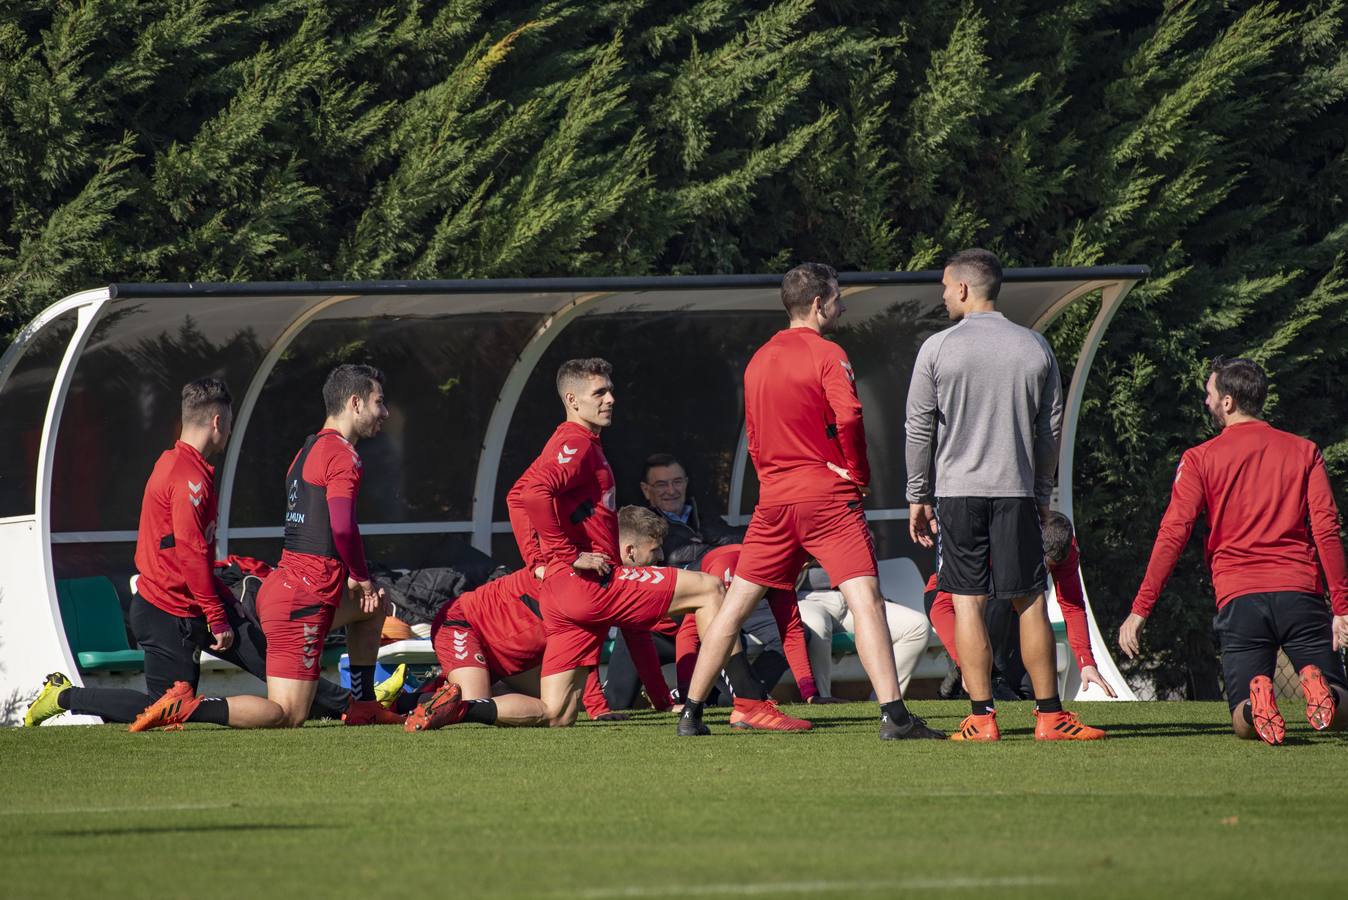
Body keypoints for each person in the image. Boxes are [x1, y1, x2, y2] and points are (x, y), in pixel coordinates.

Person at [416, 358, 790, 731]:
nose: (610, 399)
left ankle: (465, 709)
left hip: (565, 598)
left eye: (610, 390)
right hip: (589, 586)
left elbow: (517, 496)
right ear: (573, 400)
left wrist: (540, 563)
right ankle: (749, 702)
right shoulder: (574, 442)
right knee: (710, 589)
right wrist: (566, 555)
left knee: (556, 714)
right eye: (599, 392)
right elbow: (532, 495)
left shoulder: (575, 443)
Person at [679, 263, 943, 740]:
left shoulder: (759, 358)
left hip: (776, 500)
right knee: (866, 603)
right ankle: (895, 717)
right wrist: (858, 474)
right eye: (838, 298)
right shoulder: (827, 352)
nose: (842, 306)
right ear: (819, 304)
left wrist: (775, 481)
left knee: (734, 607)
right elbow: (850, 415)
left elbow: (756, 439)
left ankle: (691, 714)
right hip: (825, 497)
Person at [906, 248, 1103, 741]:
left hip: (957, 496)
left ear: (966, 289)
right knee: (1030, 600)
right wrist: (1041, 491)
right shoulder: (1035, 347)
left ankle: (981, 717)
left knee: (967, 602)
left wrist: (918, 495)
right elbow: (1049, 429)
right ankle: (1050, 717)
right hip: (1015, 492)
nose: (945, 295)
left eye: (947, 288)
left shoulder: (937, 348)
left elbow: (918, 428)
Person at [26, 378, 285, 730]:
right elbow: (191, 554)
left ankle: (343, 704)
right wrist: (218, 615)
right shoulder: (187, 476)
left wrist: (219, 602)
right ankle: (62, 696)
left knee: (171, 708)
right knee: (163, 709)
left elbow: (187, 554)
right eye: (230, 421)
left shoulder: (178, 464)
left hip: (180, 607)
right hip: (168, 612)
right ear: (217, 422)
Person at [1119, 357, 1348, 745]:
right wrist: (1341, 607)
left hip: (1239, 599)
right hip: (1299, 592)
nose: (1206, 402)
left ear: (1227, 402)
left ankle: (1255, 697)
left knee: (1243, 721)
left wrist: (1140, 609)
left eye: (1209, 395)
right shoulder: (1304, 451)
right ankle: (1318, 683)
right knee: (1341, 705)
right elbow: (1326, 529)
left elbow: (1173, 533)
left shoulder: (1199, 459)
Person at [405, 506, 673, 730]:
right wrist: (599, 709)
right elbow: (581, 648)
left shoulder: (610, 578)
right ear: (629, 551)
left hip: (513, 655)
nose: (661, 558)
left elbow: (638, 636)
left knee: (556, 705)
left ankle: (439, 691)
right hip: (463, 624)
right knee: (473, 704)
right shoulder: (586, 579)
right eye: (655, 550)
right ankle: (400, 704)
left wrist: (664, 704)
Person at [254, 364, 402, 727]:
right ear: (355, 403)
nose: (384, 413)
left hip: (293, 590)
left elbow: (315, 525)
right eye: (379, 403)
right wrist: (360, 575)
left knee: (373, 606)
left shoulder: (308, 447)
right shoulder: (342, 454)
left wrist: (357, 582)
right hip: (301, 600)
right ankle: (193, 707)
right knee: (287, 717)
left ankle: (364, 705)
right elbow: (343, 528)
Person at [924, 512, 1116, 700]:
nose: (1044, 573)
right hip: (952, 602)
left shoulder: (1067, 548)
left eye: (1049, 568)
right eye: (1039, 566)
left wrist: (1086, 662)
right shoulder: (997, 542)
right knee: (993, 684)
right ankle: (967, 681)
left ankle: (979, 678)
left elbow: (1072, 605)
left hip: (1012, 612)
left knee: (1030, 693)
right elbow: (940, 609)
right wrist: (965, 663)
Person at [796, 563, 932, 701]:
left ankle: (886, 702)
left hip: (856, 596)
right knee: (817, 626)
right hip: (807, 598)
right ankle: (821, 700)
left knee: (917, 627)